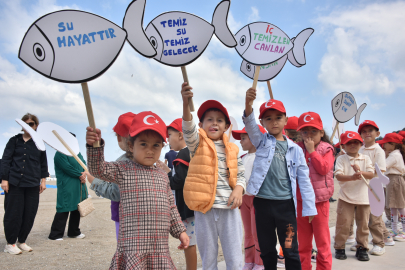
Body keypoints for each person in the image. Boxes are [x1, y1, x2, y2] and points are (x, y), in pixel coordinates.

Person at [86, 111, 188, 269]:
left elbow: (171, 207)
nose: (149, 150)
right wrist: (94, 147)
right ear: (131, 146)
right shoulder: (123, 169)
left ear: (162, 146)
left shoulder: (162, 176)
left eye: (156, 145)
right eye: (143, 144)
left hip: (159, 247)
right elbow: (98, 169)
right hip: (133, 246)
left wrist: (180, 231)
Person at [244, 90, 317, 270]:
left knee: (290, 249)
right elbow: (250, 126)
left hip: (286, 207)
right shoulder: (261, 141)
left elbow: (304, 180)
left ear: (285, 120)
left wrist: (310, 207)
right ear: (262, 122)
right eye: (268, 118)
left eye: (278, 117)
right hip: (262, 204)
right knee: (267, 250)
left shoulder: (296, 150)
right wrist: (248, 105)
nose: (274, 121)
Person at [181, 82, 246, 269]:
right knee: (208, 257)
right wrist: (186, 104)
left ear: (227, 126)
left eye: (219, 120)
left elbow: (241, 174)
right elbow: (188, 129)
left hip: (229, 209)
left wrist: (239, 190)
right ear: (201, 125)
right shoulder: (197, 145)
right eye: (209, 119)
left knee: (234, 257)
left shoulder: (234, 149)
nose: (214, 123)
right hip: (204, 210)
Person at [1, 113, 48, 255]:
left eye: (32, 123)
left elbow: (43, 164)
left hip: (33, 183)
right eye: (25, 123)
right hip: (15, 183)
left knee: (29, 214)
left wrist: (43, 180)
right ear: (22, 126)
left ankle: (21, 241)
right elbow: (5, 161)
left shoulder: (39, 143)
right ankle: (10, 244)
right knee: (13, 214)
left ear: (36, 125)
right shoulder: (13, 141)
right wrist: (4, 180)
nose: (29, 126)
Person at [156, 118, 197, 270]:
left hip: (186, 208)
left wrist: (164, 175)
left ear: (181, 135)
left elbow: (176, 182)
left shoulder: (182, 156)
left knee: (189, 243)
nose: (167, 139)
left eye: (169, 135)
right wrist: (167, 171)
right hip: (194, 206)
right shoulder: (190, 153)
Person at [296, 112, 334, 270]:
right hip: (301, 202)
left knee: (322, 243)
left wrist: (312, 152)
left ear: (321, 133)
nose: (309, 135)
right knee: (303, 243)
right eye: (305, 131)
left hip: (320, 202)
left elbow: (324, 168)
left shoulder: (327, 149)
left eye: (314, 131)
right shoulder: (297, 148)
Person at [89, 112, 135, 240]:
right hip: (145, 216)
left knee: (126, 250)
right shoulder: (148, 161)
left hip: (124, 215)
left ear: (119, 138)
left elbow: (115, 193)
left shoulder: (121, 163)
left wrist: (95, 182)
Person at [334, 131, 374, 261]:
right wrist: (352, 177)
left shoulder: (365, 158)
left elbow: (371, 174)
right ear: (343, 146)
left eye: (355, 142)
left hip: (364, 197)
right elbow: (338, 175)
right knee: (343, 224)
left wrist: (360, 172)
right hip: (346, 197)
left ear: (360, 144)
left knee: (363, 225)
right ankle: (339, 247)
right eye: (348, 143)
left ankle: (362, 248)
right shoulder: (341, 158)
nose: (352, 145)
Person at [356, 121, 395, 254]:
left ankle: (379, 243)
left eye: (370, 130)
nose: (367, 133)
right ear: (360, 134)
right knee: (362, 217)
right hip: (362, 187)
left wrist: (363, 173)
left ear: (377, 134)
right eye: (364, 131)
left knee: (375, 218)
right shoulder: (360, 149)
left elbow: (380, 171)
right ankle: (362, 243)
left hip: (375, 187)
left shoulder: (378, 150)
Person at [232, 125, 266, 270]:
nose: (240, 141)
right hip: (244, 198)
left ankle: (260, 262)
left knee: (257, 232)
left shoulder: (263, 157)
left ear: (254, 138)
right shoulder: (242, 158)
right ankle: (249, 261)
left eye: (243, 138)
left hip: (258, 199)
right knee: (248, 232)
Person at [48, 133, 88, 240]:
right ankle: (55, 234)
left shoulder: (77, 153)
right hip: (67, 185)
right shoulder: (60, 153)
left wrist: (84, 173)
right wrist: (81, 175)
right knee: (64, 207)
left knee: (77, 208)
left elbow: (84, 163)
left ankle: (74, 232)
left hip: (78, 184)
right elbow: (67, 168)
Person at [379, 133, 405, 241]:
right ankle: (395, 229)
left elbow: (383, 166)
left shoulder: (394, 155)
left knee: (400, 205)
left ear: (392, 144)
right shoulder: (395, 154)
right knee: (393, 205)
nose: (383, 145)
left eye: (385, 143)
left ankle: (403, 230)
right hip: (392, 180)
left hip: (395, 180)